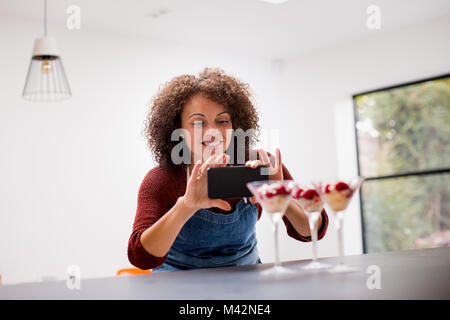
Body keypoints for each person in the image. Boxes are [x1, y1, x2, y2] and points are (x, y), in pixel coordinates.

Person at [128, 68, 328, 272]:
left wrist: (280, 196)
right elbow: (140, 257)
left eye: (222, 121)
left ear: (235, 125)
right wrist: (186, 206)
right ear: (178, 129)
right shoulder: (161, 179)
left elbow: (313, 230)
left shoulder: (261, 164)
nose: (212, 132)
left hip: (246, 284)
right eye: (198, 122)